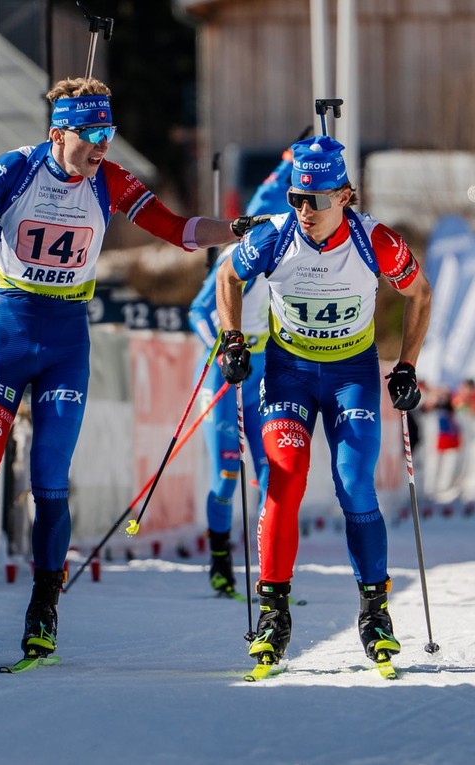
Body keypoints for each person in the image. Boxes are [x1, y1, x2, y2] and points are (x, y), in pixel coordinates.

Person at [0, 76, 263, 663]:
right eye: (91, 133)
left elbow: (177, 230)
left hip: (66, 338)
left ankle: (43, 612)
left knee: (49, 479)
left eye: (108, 132)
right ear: (58, 134)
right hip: (10, 327)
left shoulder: (111, 179)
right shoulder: (17, 168)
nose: (102, 145)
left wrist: (237, 230)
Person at [214, 134, 432, 670]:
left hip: (350, 376)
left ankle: (375, 613)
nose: (304, 211)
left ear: (345, 196)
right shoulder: (274, 236)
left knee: (355, 482)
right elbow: (227, 275)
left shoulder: (375, 240)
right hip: (288, 374)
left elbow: (419, 294)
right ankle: (274, 615)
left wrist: (407, 365)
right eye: (296, 198)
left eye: (315, 199)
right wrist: (232, 340)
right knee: (284, 477)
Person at [187, 152, 292, 597]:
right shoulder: (239, 255)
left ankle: (271, 572)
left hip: (264, 369)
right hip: (227, 371)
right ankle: (220, 564)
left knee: (273, 473)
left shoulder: (292, 257)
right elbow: (198, 312)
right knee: (227, 475)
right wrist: (224, 348)